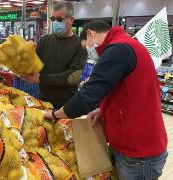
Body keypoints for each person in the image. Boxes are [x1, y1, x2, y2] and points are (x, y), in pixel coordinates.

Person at [44, 20, 168, 180]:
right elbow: (129, 92)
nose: (88, 52)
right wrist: (103, 110)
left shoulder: (118, 49)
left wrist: (55, 114)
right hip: (136, 146)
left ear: (90, 34)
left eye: (85, 47)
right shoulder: (124, 46)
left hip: (138, 152)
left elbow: (88, 95)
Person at [20, 1, 88, 109]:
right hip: (44, 101)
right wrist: (26, 52)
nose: (55, 22)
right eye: (53, 19)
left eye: (59, 19)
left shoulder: (80, 45)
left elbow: (72, 77)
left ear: (71, 20)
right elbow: (31, 65)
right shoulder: (45, 40)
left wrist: (41, 79)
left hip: (67, 104)